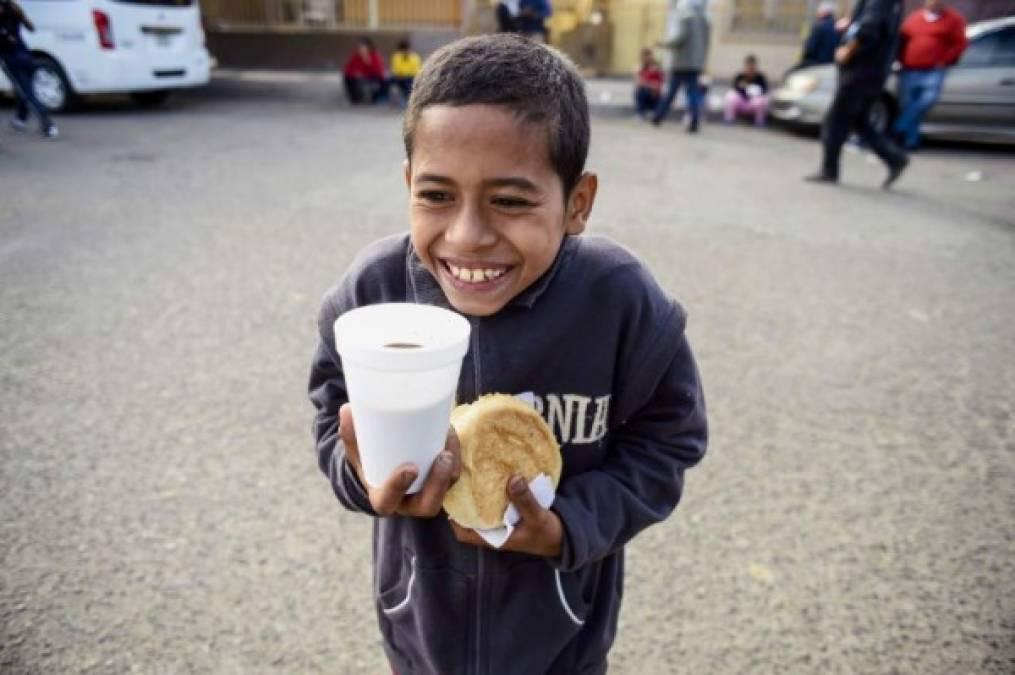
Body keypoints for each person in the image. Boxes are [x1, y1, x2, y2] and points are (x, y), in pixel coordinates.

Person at [308, 33, 708, 675]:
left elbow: (668, 441)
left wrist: (568, 526)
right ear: (409, 183)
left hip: (562, 637)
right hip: (420, 626)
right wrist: (360, 473)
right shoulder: (373, 293)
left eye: (511, 201)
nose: (468, 237)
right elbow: (333, 411)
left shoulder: (618, 300)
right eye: (436, 195)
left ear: (576, 203)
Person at [805, 0, 908, 189]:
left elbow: (869, 29)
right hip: (873, 71)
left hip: (861, 71)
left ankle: (829, 170)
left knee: (835, 120)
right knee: (859, 121)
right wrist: (850, 24)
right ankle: (894, 159)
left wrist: (848, 49)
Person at [891, 0, 967, 150]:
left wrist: (947, 59)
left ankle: (899, 127)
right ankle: (910, 142)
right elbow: (902, 40)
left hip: (933, 70)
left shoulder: (953, 19)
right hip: (910, 68)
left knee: (928, 99)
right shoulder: (914, 18)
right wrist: (898, 59)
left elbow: (960, 43)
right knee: (908, 104)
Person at [0, 0, 58, 139]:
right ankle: (21, 119)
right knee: (24, 89)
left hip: (12, 60)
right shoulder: (14, 10)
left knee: (27, 92)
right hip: (26, 56)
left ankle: (48, 124)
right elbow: (31, 27)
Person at [651, 0, 711, 133]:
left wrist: (663, 44)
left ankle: (658, 116)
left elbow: (680, 38)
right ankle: (694, 121)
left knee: (671, 92)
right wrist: (702, 61)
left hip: (682, 63)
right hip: (695, 63)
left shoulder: (686, 18)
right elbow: (706, 43)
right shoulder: (705, 21)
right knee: (693, 94)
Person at [724, 54, 770, 126]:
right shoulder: (740, 76)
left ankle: (759, 120)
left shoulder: (760, 77)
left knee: (764, 99)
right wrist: (743, 87)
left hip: (754, 103)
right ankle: (730, 117)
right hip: (742, 102)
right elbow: (735, 89)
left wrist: (755, 91)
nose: (750, 68)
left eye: (752, 66)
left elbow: (765, 90)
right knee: (730, 95)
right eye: (749, 66)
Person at [343, 37, 387, 105]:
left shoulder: (374, 56)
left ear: (369, 48)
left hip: (372, 77)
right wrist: (354, 74)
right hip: (359, 78)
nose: (361, 50)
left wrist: (368, 63)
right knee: (348, 78)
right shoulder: (356, 56)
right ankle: (354, 98)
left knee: (383, 81)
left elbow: (379, 71)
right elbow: (348, 69)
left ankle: (377, 98)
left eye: (363, 48)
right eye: (360, 48)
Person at [801, 1, 840, 67]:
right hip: (833, 65)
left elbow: (810, 49)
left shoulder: (819, 27)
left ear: (824, 12)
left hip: (817, 64)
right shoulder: (839, 27)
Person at [390, 39, 422, 106]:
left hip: (411, 78)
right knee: (392, 80)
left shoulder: (414, 57)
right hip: (400, 78)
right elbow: (396, 70)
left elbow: (416, 71)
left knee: (408, 82)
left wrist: (405, 73)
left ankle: (408, 99)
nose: (405, 52)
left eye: (406, 50)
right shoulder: (397, 57)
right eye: (403, 51)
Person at [634, 47, 664, 119]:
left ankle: (653, 111)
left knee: (655, 93)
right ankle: (641, 113)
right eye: (644, 56)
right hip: (646, 90)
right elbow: (638, 82)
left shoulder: (656, 68)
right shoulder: (640, 68)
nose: (646, 58)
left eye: (648, 56)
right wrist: (649, 84)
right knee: (640, 91)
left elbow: (658, 84)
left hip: (655, 93)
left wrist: (647, 84)